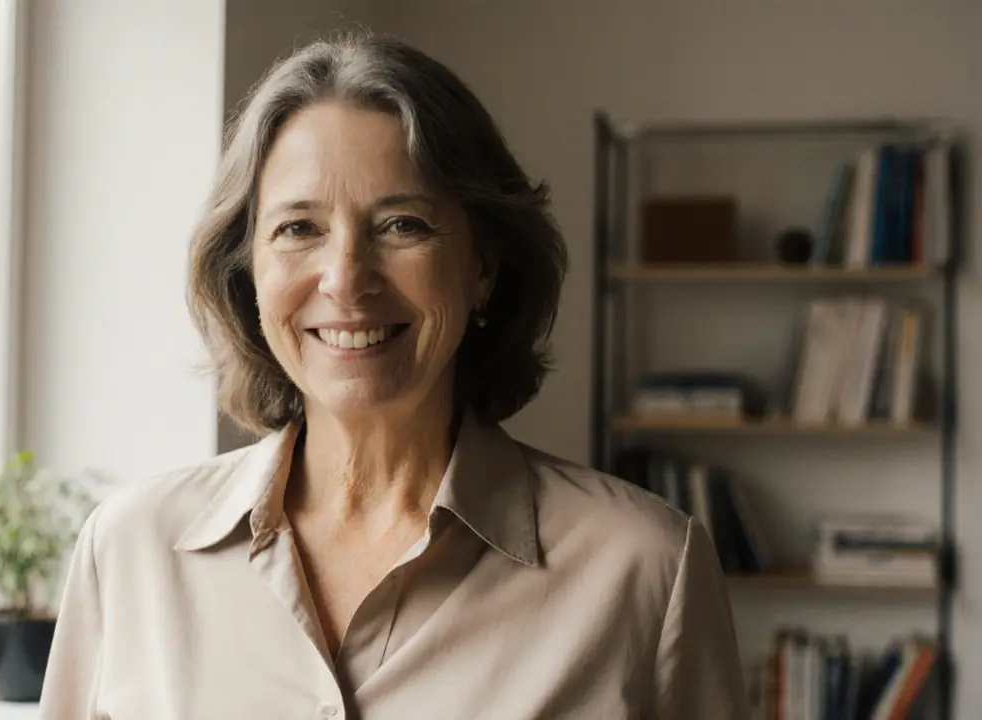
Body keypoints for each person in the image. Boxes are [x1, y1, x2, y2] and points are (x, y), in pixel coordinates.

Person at [39, 33, 749, 719]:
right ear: (246, 270)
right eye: (299, 228)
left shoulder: (646, 570)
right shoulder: (129, 552)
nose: (346, 279)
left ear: (482, 267)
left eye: (402, 225)